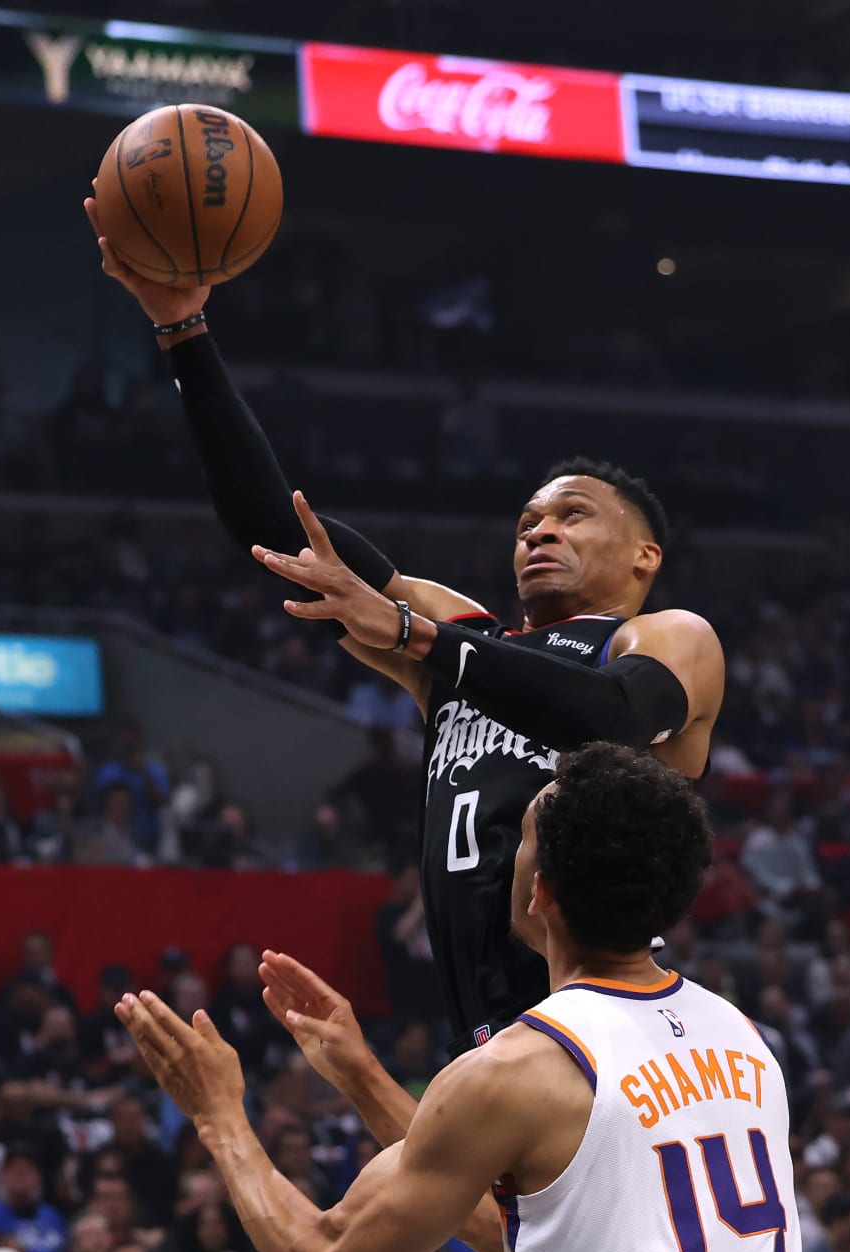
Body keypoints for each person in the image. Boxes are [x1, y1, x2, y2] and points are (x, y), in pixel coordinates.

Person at [87, 205, 724, 1058]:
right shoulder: (471, 638)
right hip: (484, 1023)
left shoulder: (663, 637)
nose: (540, 531)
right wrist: (183, 331)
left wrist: (415, 637)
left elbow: (610, 714)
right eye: (527, 523)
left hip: (603, 1017)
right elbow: (276, 530)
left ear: (646, 554)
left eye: (572, 515)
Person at [117, 743, 824, 1252]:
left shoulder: (520, 1069)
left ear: (541, 891)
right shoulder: (742, 1036)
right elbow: (542, 1250)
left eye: (521, 838)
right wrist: (364, 1077)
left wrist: (219, 1116)